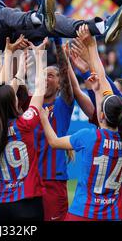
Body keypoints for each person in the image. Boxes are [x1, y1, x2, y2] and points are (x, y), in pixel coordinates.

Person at [41, 25, 122, 221]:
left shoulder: (90, 135)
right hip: (113, 214)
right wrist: (88, 62)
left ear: (101, 116)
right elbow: (103, 90)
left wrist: (91, 47)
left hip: (83, 212)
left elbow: (55, 142)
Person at [0, 39, 47, 221]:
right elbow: (40, 88)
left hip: (3, 204)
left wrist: (11, 60)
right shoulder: (24, 123)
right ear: (12, 102)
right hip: (28, 202)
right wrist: (40, 57)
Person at [32, 39, 75, 221]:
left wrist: (58, 43)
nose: (46, 78)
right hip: (30, 179)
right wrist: (37, 55)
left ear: (59, 84)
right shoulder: (31, 105)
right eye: (44, 75)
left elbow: (66, 77)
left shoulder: (63, 104)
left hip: (53, 181)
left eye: (51, 75)